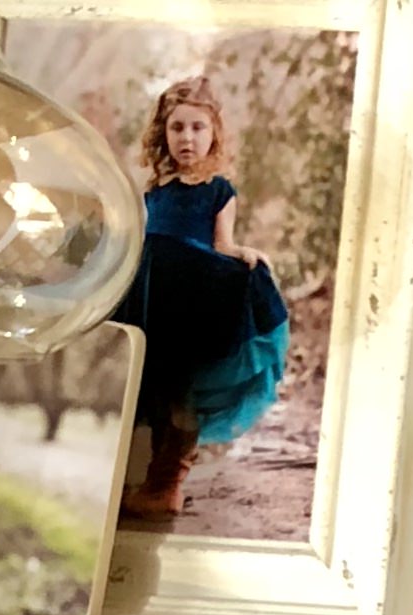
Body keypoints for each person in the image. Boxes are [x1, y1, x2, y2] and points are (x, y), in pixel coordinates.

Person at [114, 72, 288, 527]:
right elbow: (139, 238)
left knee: (181, 394)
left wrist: (246, 255)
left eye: (197, 128)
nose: (187, 137)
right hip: (152, 297)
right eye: (177, 128)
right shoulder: (154, 191)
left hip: (192, 302)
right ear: (163, 134)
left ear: (213, 135)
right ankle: (147, 482)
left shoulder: (219, 190)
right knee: (151, 389)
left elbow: (222, 246)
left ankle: (166, 485)